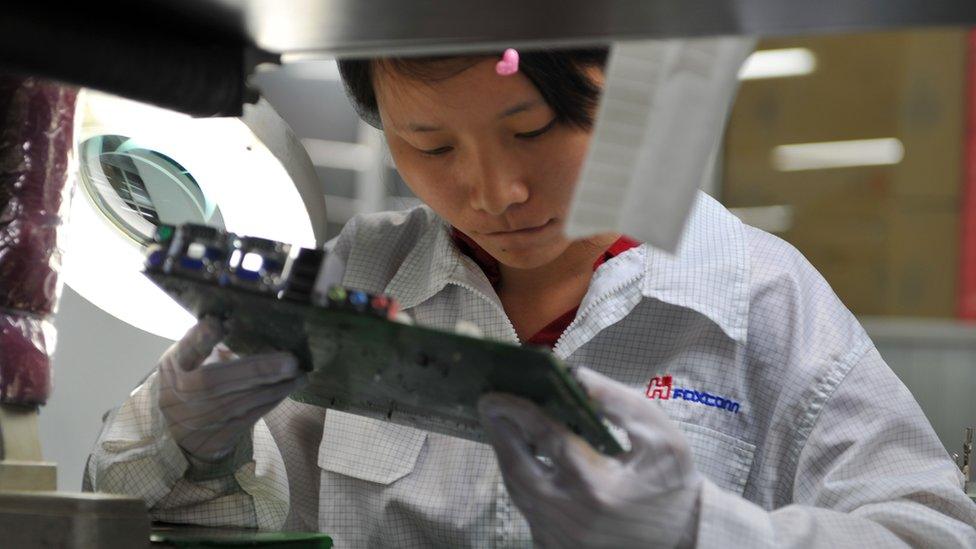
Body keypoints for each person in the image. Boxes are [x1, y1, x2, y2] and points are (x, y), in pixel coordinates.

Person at [85, 47, 976, 547]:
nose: (494, 191)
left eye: (534, 130)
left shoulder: (760, 296)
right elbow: (201, 521)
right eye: (430, 146)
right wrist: (188, 437)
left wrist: (700, 532)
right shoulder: (362, 273)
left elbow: (932, 532)